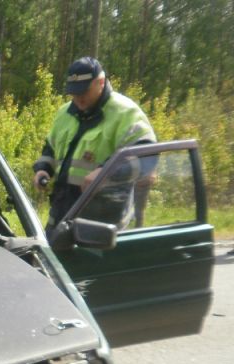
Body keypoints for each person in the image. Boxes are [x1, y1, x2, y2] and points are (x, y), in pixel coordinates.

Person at [33, 57, 156, 235]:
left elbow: (147, 156)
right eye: (74, 92)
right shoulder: (64, 112)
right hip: (62, 214)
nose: (78, 98)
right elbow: (51, 147)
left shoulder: (125, 113)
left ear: (101, 82)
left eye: (84, 91)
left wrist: (105, 173)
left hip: (103, 222)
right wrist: (43, 169)